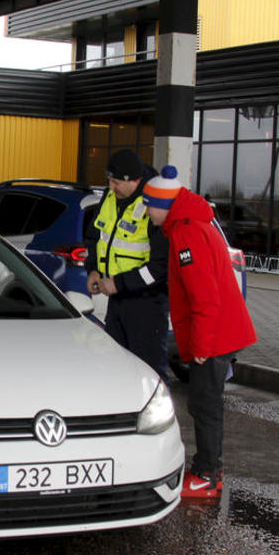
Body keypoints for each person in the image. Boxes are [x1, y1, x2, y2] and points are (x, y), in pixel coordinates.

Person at [142, 165, 257, 498]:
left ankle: (208, 475)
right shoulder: (191, 225)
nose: (147, 212)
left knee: (204, 405)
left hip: (214, 336)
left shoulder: (186, 233)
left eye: (149, 205)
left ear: (163, 204)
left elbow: (204, 297)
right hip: (219, 333)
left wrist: (202, 346)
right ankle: (208, 469)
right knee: (206, 403)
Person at [85, 149, 170, 381]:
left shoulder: (153, 204)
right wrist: (92, 268)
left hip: (147, 303)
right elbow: (94, 236)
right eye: (109, 181)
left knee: (149, 373)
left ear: (134, 180)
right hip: (117, 300)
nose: (111, 187)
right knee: (116, 368)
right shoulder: (110, 197)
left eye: (115, 182)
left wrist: (119, 283)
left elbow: (160, 268)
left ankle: (156, 417)